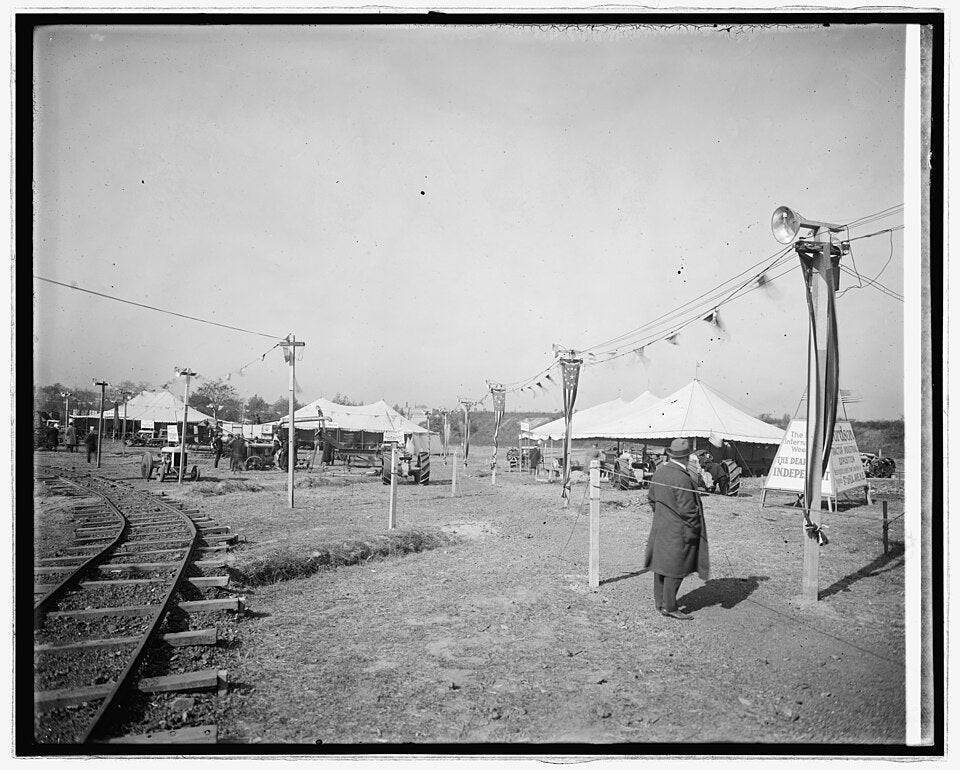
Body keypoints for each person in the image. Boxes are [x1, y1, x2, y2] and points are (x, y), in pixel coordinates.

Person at [643, 438, 710, 621]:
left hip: (661, 527)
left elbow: (651, 498)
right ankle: (670, 607)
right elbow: (689, 510)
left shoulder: (660, 472)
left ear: (670, 454)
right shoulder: (682, 477)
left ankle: (660, 603)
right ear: (688, 457)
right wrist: (695, 529)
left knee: (661, 565)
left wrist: (663, 515)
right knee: (676, 568)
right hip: (679, 531)